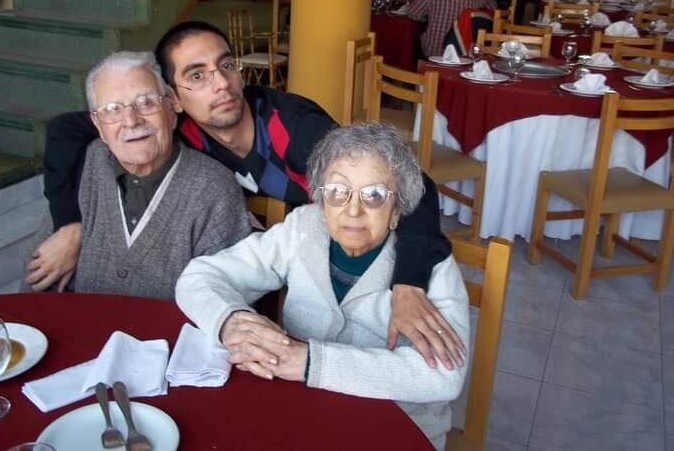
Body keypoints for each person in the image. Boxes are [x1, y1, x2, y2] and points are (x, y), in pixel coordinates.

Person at [30, 21, 464, 369]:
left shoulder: (294, 129)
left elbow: (412, 185)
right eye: (196, 76)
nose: (220, 84)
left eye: (225, 66)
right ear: (173, 99)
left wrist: (409, 283)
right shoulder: (175, 127)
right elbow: (69, 129)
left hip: (347, 246)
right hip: (285, 253)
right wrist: (72, 224)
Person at [175, 123, 469, 450]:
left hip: (396, 431)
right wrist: (231, 322)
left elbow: (446, 376)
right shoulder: (302, 229)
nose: (353, 210)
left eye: (374, 195)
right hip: (301, 414)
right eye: (338, 192)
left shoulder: (431, 267)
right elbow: (198, 278)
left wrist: (312, 363)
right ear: (321, 199)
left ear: (398, 210)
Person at [23, 51, 251, 300]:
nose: (131, 121)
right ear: (98, 125)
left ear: (172, 105)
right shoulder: (86, 161)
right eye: (112, 109)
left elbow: (223, 302)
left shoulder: (213, 189)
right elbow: (37, 280)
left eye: (146, 102)